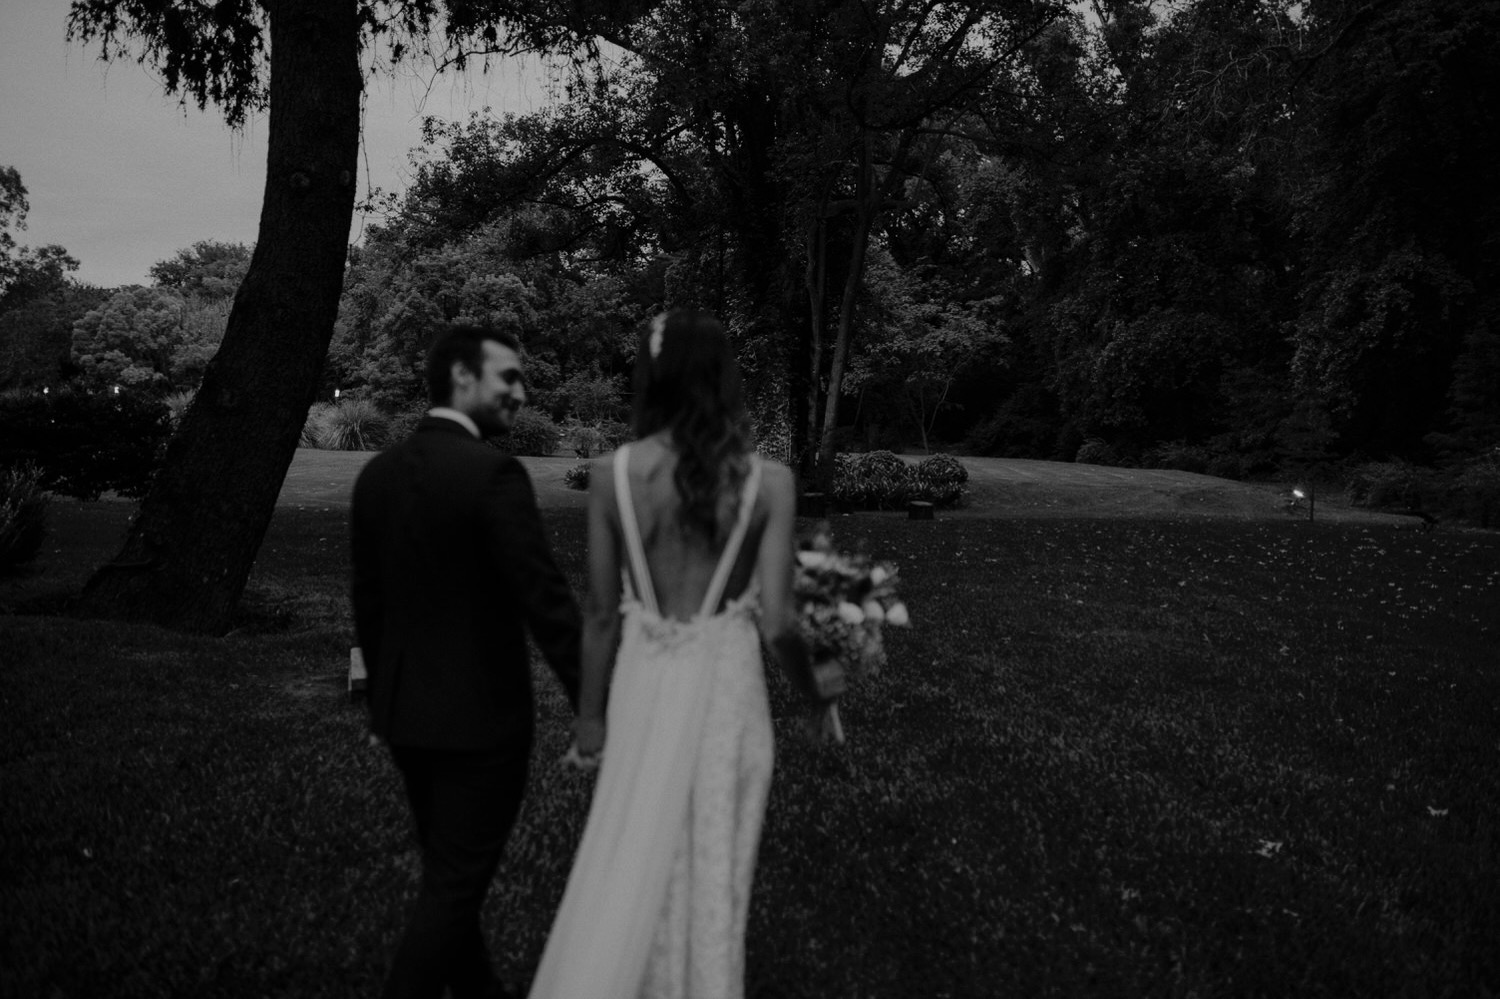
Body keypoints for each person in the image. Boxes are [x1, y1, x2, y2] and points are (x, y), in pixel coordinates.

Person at [527, 310, 835, 999]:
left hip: (642, 690)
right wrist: (817, 695)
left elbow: (600, 614)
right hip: (728, 697)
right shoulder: (771, 483)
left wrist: (589, 721)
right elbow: (779, 623)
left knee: (638, 858)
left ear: (652, 378)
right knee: (716, 872)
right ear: (723, 378)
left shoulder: (611, 474)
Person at [350, 323, 583, 999]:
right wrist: (596, 702)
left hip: (406, 717)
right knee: (453, 886)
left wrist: (382, 701)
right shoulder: (492, 475)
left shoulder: (378, 473)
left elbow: (370, 604)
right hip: (481, 725)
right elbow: (546, 604)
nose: (521, 391)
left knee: (449, 876)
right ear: (462, 376)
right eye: (508, 376)